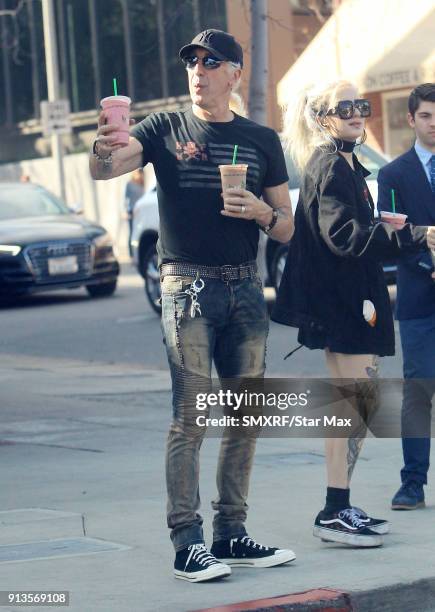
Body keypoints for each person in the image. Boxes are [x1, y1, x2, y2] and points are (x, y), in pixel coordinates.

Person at [89, 29, 295, 582]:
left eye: (211, 62)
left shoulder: (262, 140)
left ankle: (232, 533)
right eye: (192, 63)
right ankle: (187, 542)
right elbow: (107, 168)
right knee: (190, 419)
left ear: (235, 73)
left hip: (246, 290)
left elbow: (286, 229)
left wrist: (258, 211)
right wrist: (103, 143)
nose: (198, 71)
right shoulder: (164, 128)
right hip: (187, 290)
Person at [272, 80, 435, 547]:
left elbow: (351, 230)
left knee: (351, 406)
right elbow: (342, 236)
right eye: (345, 107)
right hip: (344, 305)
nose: (356, 113)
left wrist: (385, 226)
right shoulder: (329, 164)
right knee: (354, 405)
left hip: (347, 301)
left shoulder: (344, 162)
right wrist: (413, 235)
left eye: (360, 105)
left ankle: (338, 506)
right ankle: (334, 510)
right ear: (323, 117)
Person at [377, 83, 435, 511]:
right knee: (418, 388)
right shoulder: (393, 175)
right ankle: (413, 482)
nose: (434, 124)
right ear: (411, 119)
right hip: (419, 301)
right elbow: (392, 240)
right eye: (427, 116)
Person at [124, 168, 144, 256]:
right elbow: (125, 199)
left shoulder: (142, 183)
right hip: (131, 211)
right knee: (132, 233)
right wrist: (126, 211)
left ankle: (138, 254)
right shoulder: (129, 184)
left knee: (139, 232)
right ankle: (131, 255)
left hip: (140, 211)